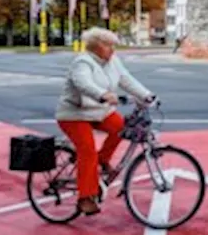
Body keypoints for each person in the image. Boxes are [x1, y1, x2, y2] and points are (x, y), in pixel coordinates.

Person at [56, 27, 156, 215]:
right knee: (87, 151)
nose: (113, 50)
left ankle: (103, 160)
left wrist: (147, 95)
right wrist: (103, 94)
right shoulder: (82, 62)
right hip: (74, 114)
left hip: (99, 112)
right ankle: (85, 197)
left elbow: (126, 80)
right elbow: (83, 83)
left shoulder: (112, 62)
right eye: (109, 45)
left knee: (122, 127)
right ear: (97, 47)